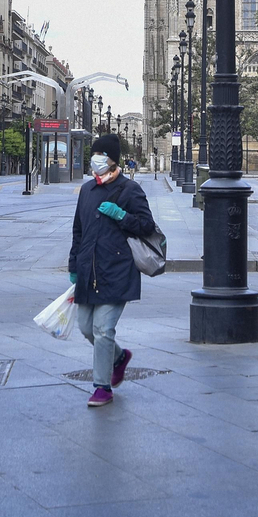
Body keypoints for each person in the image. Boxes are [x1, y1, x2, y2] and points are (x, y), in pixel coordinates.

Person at [68, 133, 157, 408]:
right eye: (94, 156)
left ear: (112, 161)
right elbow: (78, 231)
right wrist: (74, 265)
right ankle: (118, 358)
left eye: (100, 156)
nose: (95, 161)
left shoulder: (130, 190)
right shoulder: (86, 190)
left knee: (103, 329)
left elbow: (147, 226)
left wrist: (122, 216)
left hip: (117, 269)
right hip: (88, 269)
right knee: (86, 327)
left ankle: (102, 387)